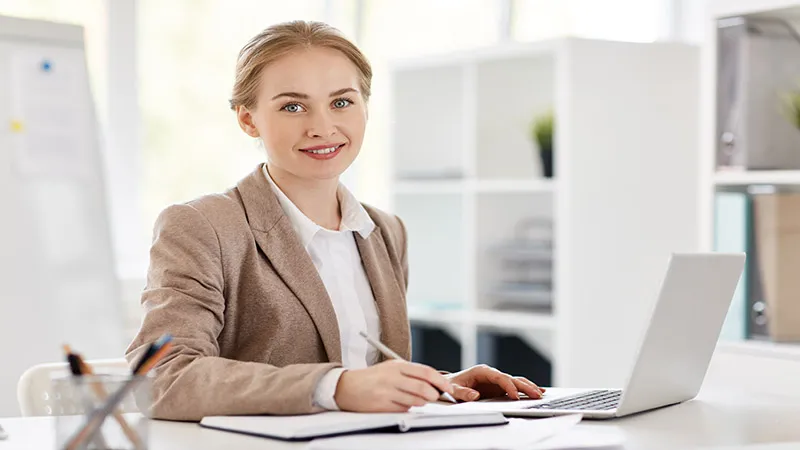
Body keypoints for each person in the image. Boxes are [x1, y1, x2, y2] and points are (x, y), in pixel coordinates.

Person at [125, 20, 544, 422]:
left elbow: (362, 376)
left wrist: (436, 388)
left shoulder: (385, 232)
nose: (322, 127)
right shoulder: (203, 227)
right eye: (293, 106)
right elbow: (160, 376)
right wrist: (335, 386)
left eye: (341, 102)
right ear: (248, 118)